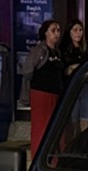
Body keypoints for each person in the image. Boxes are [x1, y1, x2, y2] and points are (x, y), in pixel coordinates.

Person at [19, 19, 63, 156]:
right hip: (41, 93)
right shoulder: (39, 51)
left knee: (55, 127)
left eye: (58, 30)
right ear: (45, 33)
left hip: (55, 93)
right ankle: (38, 157)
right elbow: (27, 71)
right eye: (53, 30)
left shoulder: (57, 52)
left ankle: (53, 158)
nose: (56, 34)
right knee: (41, 127)